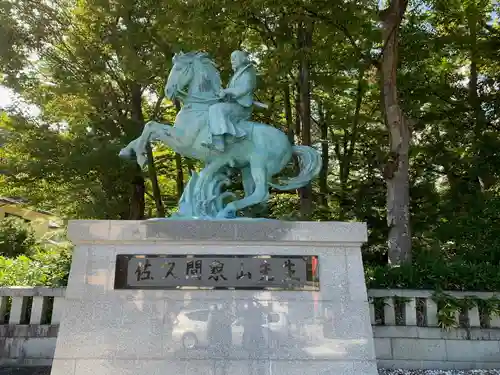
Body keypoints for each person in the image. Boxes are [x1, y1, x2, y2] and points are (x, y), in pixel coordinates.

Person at [206, 50, 257, 152]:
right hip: (233, 105)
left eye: (235, 57)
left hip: (241, 108)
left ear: (242, 59)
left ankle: (219, 141)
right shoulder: (236, 75)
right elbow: (230, 94)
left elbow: (243, 89)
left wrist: (226, 91)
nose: (232, 60)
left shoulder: (248, 72)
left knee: (216, 109)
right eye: (231, 58)